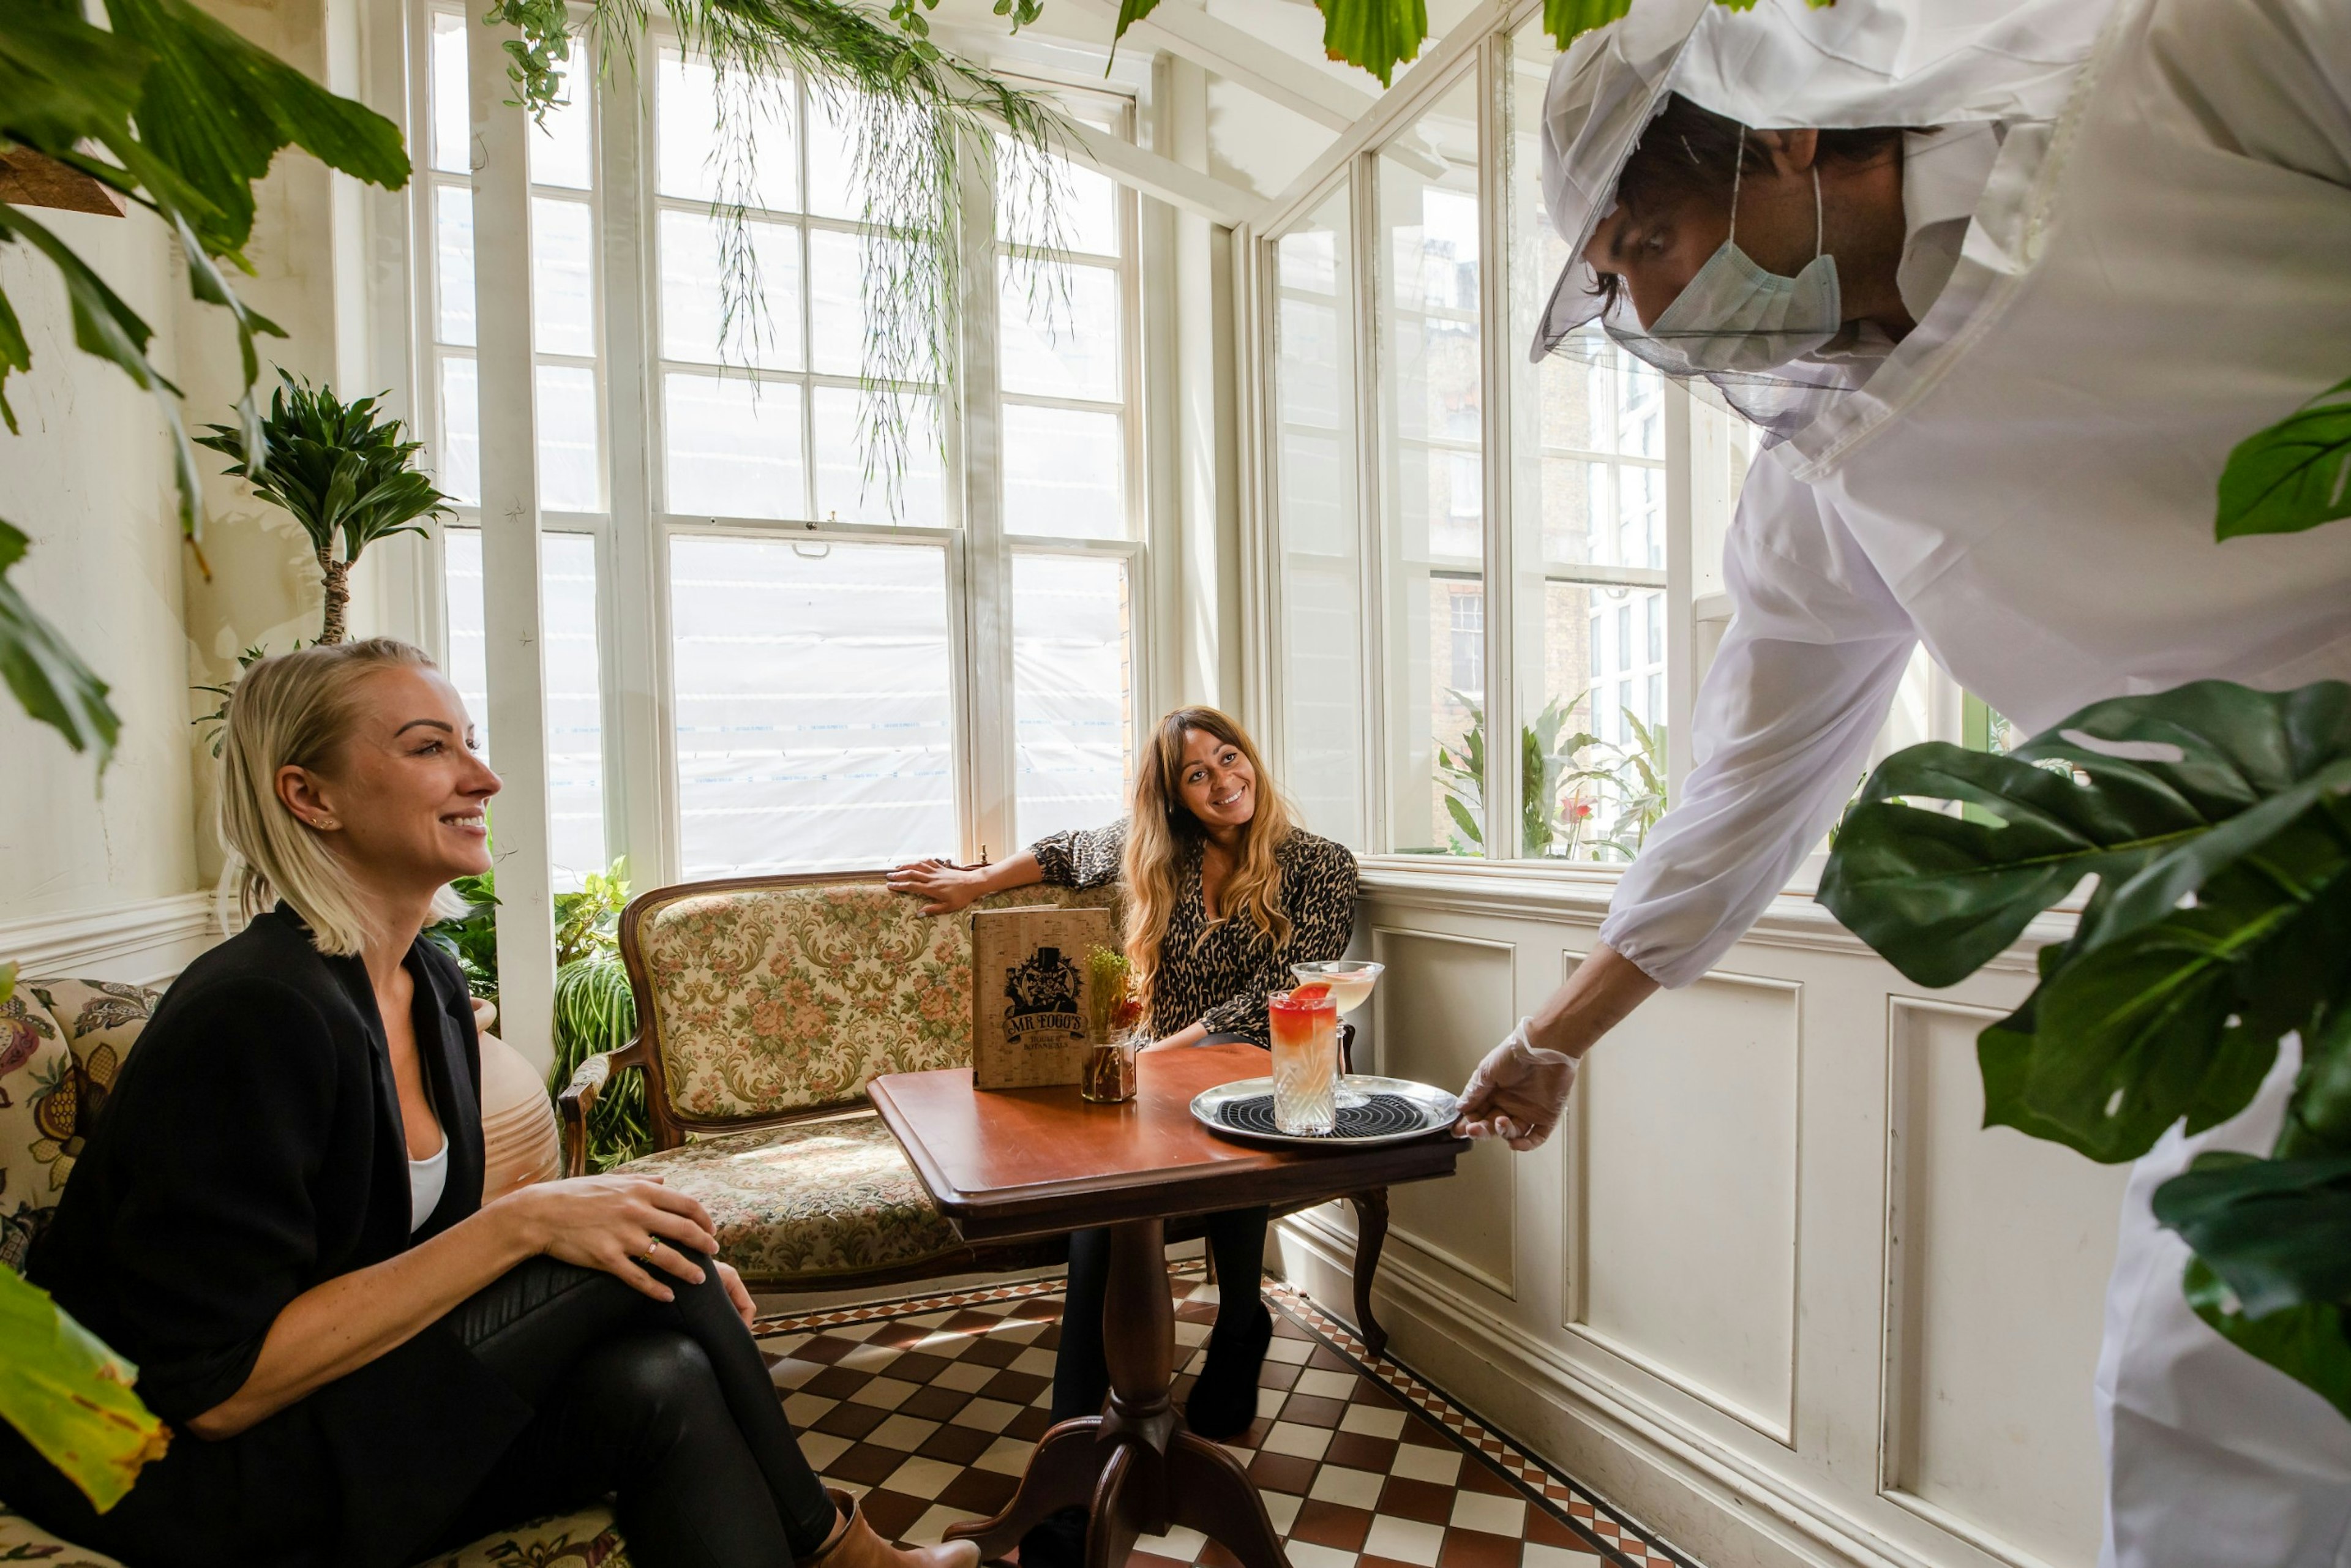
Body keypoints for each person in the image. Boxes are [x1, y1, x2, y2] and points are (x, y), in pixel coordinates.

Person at [1452, 1, 2351, 1563]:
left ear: (1787, 132)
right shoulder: (1819, 477)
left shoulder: (2189, 55)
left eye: (1647, 243)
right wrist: (1549, 1044)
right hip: (2265, 923)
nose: (1650, 310)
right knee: (2206, 1402)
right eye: (1615, 284)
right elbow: (1741, 795)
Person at [0, 639, 981, 1568]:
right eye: (430, 747)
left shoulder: (423, 979)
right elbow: (211, 1388)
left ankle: (829, 1548)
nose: (484, 777)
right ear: (309, 795)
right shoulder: (257, 1012)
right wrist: (527, 1227)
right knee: (633, 1254)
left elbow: (391, 1260)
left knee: (661, 1377)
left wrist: (596, 1258)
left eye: (469, 740)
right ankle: (836, 1548)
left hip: (329, 1413)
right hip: (168, 1476)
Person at [888, 706, 1357, 1568]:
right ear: (1173, 796)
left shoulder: (1322, 864)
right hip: (1166, 1084)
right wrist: (971, 881)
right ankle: (1074, 1464)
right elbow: (1068, 850)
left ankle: (1242, 1316)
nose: (1225, 781)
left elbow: (1278, 1000)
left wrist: (1147, 1054)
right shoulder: (1159, 851)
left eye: (1230, 758)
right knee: (1102, 1215)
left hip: (1282, 1068)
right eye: (1198, 774)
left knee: (1235, 1122)